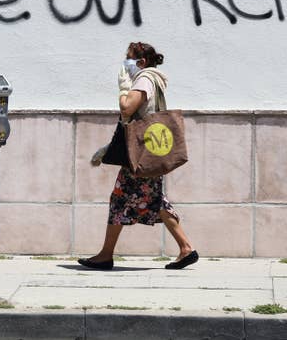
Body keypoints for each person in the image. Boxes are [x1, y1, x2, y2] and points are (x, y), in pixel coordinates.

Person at [78, 41, 199, 270]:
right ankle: (185, 248)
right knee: (153, 200)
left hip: (141, 153)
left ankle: (105, 255)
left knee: (122, 200)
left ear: (141, 62)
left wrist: (124, 87)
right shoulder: (153, 79)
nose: (126, 62)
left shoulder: (144, 79)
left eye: (129, 58)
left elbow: (127, 108)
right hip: (145, 152)